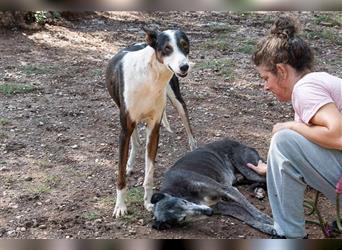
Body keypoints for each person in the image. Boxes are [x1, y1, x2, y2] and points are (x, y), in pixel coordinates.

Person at [246, 16, 342, 239]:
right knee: (287, 142)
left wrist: (287, 126)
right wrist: (273, 168)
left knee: (284, 139)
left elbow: (338, 135)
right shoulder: (318, 82)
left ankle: (289, 236)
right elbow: (315, 146)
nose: (265, 86)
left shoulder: (305, 89)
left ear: (281, 70)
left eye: (266, 77)